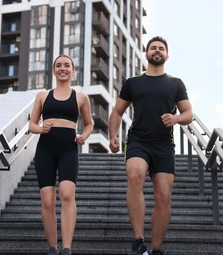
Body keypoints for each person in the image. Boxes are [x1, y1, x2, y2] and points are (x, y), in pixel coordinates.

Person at [108, 36, 193, 255]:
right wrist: (113, 135)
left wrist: (175, 119)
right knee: (135, 174)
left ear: (167, 55)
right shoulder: (133, 82)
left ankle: (155, 249)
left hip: (164, 144)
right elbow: (118, 111)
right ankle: (138, 240)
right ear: (146, 54)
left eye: (161, 48)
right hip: (138, 140)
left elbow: (188, 114)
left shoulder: (175, 83)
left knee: (164, 195)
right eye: (153, 48)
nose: (157, 51)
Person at [29, 55, 93, 255]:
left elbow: (89, 124)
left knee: (67, 193)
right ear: (54, 70)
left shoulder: (81, 97)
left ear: (73, 70)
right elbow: (31, 124)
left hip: (68, 149)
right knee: (47, 200)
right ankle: (52, 247)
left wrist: (84, 135)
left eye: (67, 65)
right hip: (45, 149)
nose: (62, 68)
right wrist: (40, 128)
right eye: (58, 65)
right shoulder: (42, 95)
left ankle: (66, 247)